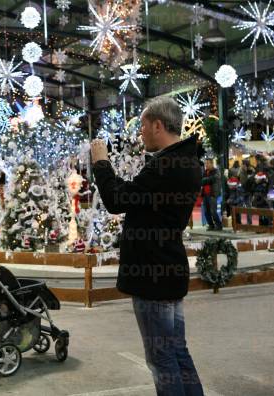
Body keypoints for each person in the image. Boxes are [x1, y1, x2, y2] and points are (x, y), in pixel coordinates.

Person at [91, 96, 204, 396]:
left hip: (153, 273)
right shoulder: (186, 160)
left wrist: (101, 163)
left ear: (157, 124)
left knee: (162, 357)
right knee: (177, 351)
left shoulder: (167, 165)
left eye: (142, 125)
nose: (140, 131)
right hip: (168, 267)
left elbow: (117, 199)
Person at [201, 158, 222, 231]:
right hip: (205, 194)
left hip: (212, 194)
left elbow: (214, 179)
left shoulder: (216, 171)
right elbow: (202, 181)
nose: (206, 165)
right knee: (206, 211)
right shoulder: (205, 172)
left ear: (212, 163)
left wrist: (205, 180)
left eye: (207, 163)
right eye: (205, 163)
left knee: (213, 211)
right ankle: (211, 225)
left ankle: (219, 225)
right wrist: (206, 180)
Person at [239, 159, 255, 225]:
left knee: (249, 206)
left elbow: (250, 181)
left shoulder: (251, 170)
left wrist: (246, 171)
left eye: (242, 164)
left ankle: (251, 222)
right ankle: (245, 223)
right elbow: (240, 178)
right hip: (243, 190)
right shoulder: (241, 170)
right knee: (242, 207)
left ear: (245, 165)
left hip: (249, 191)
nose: (241, 165)